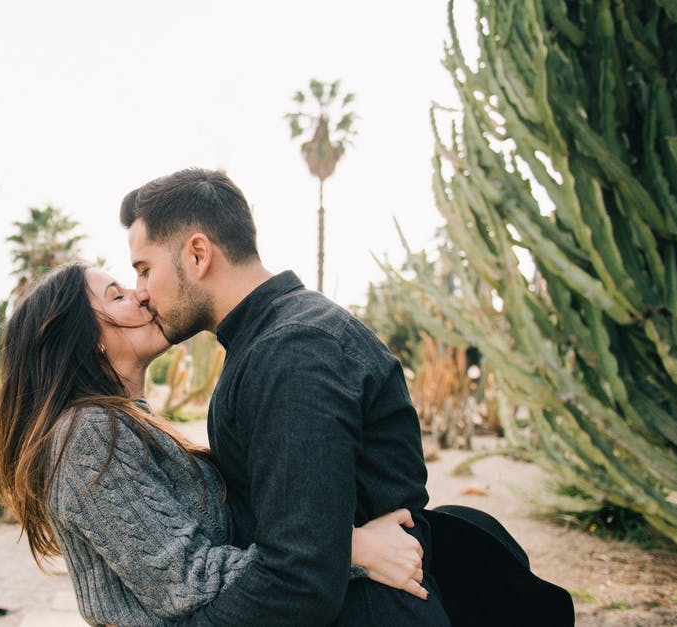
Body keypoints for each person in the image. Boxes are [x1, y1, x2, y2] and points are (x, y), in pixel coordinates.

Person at [0, 262, 430, 627]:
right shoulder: (88, 435)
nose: (141, 294)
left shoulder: (122, 425)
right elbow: (184, 579)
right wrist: (350, 548)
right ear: (89, 342)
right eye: (117, 295)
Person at [119, 168, 451, 625]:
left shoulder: (293, 352)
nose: (139, 292)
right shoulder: (269, 341)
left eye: (144, 269)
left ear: (197, 254)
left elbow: (298, 578)